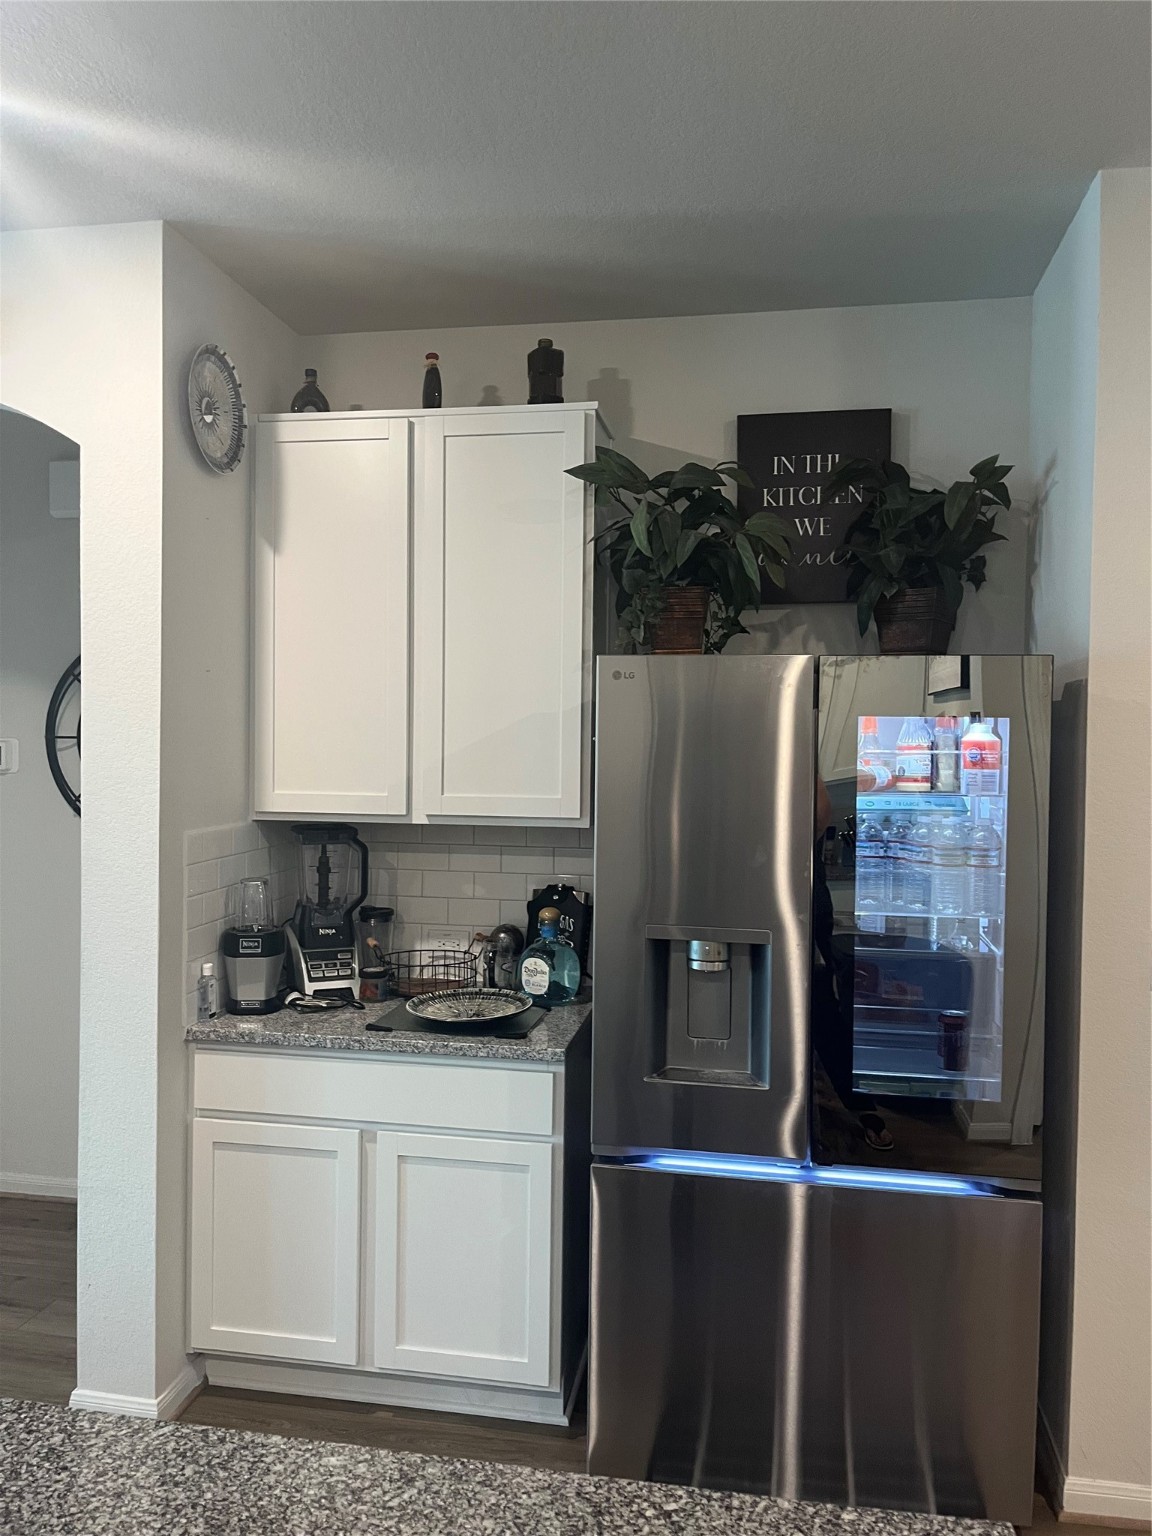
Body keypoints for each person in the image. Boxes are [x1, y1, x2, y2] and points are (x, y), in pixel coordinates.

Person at [812, 775, 894, 1153]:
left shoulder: (799, 763)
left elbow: (820, 816)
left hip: (806, 905)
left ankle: (858, 1106)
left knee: (822, 1013)